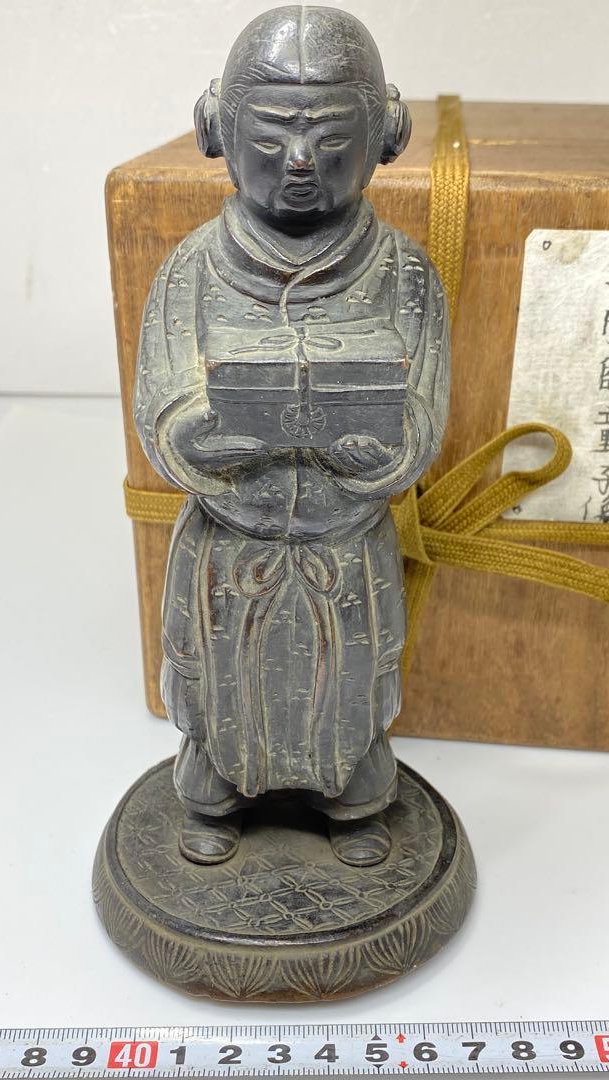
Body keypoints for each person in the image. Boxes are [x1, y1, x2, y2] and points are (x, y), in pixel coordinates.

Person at [133, 5, 450, 868]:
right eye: (272, 136)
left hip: (346, 542)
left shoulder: (404, 273)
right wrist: (205, 435)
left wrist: (383, 450)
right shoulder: (193, 268)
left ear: (385, 134)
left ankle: (354, 798)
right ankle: (215, 792)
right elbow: (160, 406)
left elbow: (424, 411)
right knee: (219, 681)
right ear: (219, 130)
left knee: (348, 684)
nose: (301, 161)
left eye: (331, 136)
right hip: (229, 541)